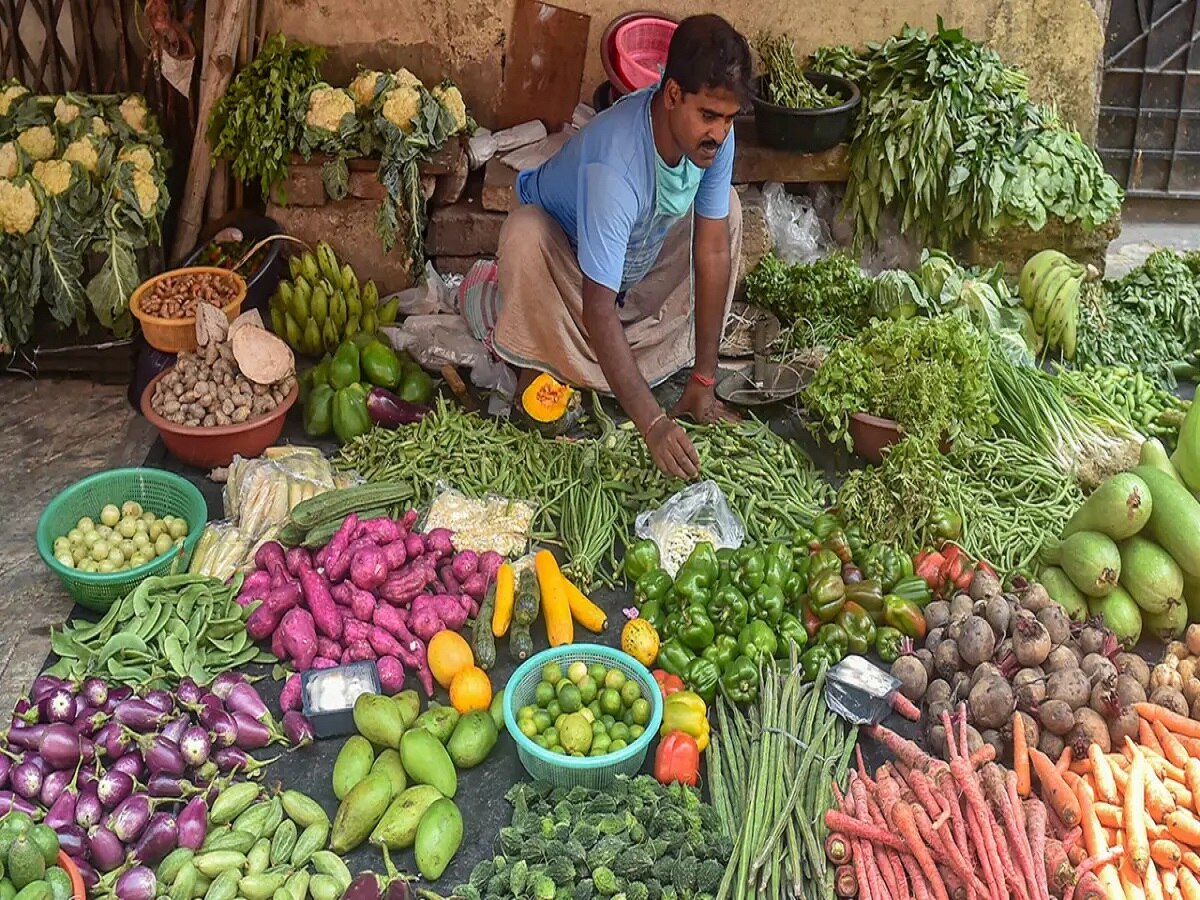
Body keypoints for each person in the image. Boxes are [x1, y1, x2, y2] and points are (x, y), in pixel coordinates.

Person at [491, 14, 751, 479]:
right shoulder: (617, 164)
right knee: (524, 236)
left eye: (729, 119)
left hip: (635, 261)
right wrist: (652, 424)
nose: (720, 132)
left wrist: (705, 379)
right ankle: (546, 361)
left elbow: (711, 253)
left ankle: (627, 367)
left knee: (726, 211)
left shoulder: (715, 139)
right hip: (569, 274)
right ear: (672, 95)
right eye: (709, 116)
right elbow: (596, 307)